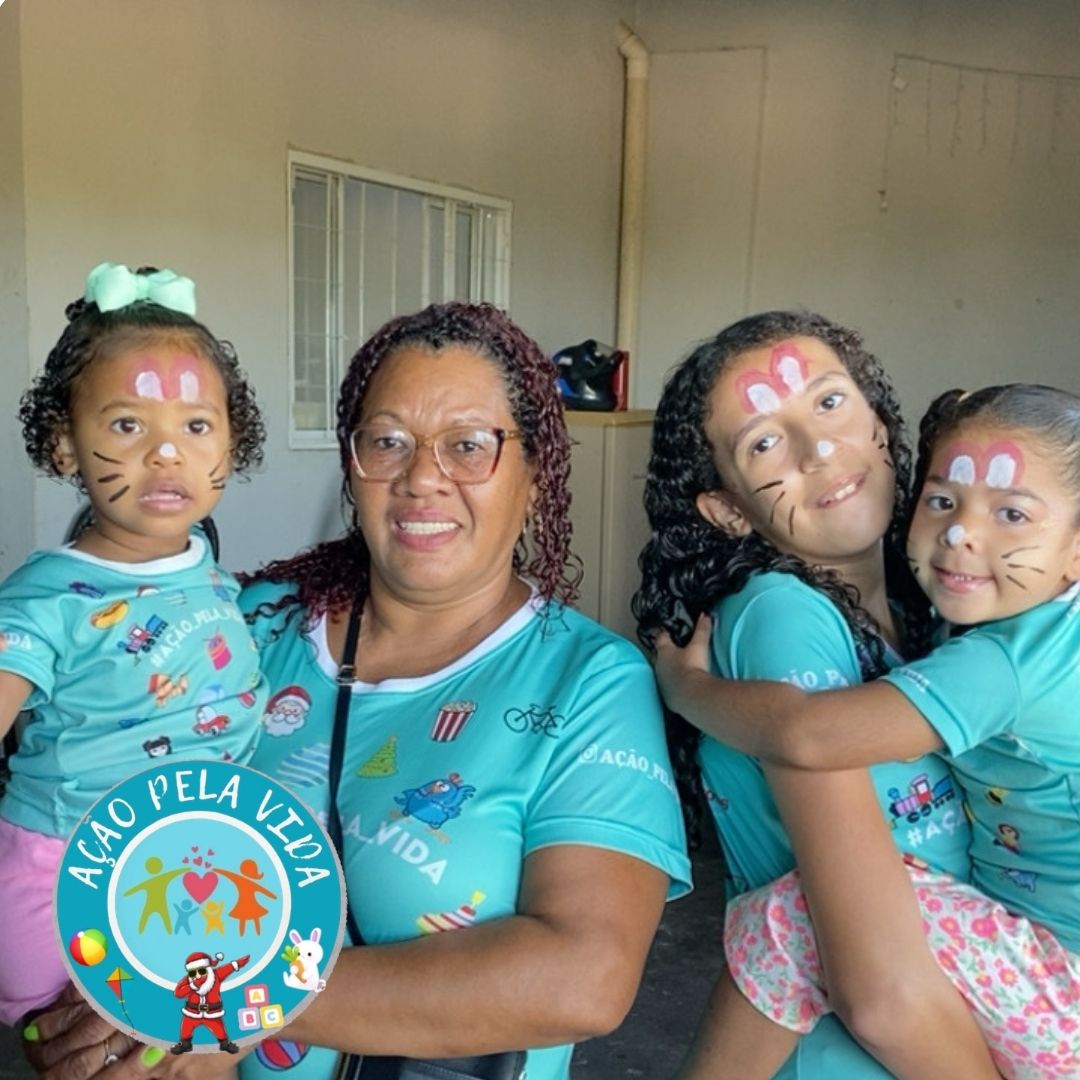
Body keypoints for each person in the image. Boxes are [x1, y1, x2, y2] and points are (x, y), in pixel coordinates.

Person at [26, 301, 692, 1080]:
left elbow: (582, 975)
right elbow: (83, 810)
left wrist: (226, 1005)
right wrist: (81, 1023)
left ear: (536, 474)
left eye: (468, 446)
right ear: (352, 465)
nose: (422, 478)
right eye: (388, 441)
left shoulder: (588, 680)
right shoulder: (243, 627)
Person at [657, 383, 1080, 1078]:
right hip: (1043, 980)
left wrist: (686, 689)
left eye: (1012, 513)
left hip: (1061, 993)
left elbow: (809, 736)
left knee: (798, 915)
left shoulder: (1003, 663)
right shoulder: (1035, 624)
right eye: (942, 501)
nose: (962, 533)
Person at [0, 261, 267, 1028]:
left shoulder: (210, 573)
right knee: (84, 1053)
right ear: (63, 444)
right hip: (62, 875)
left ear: (230, 445)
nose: (166, 453)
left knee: (188, 1046)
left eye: (196, 427)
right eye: (127, 425)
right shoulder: (46, 597)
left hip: (196, 862)